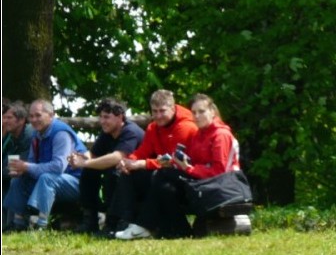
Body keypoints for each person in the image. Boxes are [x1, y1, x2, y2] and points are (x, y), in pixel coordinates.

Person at [115, 94, 240, 240]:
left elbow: (219, 172)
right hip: (204, 183)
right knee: (164, 185)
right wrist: (129, 161)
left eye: (201, 112)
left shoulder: (219, 135)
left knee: (163, 175)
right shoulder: (200, 134)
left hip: (221, 188)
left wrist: (187, 168)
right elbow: (189, 161)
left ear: (212, 112)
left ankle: (143, 225)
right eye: (194, 112)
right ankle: (178, 231)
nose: (197, 116)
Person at [107, 89, 198, 235]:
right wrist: (128, 161)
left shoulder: (185, 127)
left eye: (162, 111)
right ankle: (120, 223)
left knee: (159, 176)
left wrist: (142, 164)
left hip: (186, 178)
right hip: (165, 173)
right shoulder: (153, 127)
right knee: (125, 174)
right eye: (154, 111)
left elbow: (173, 160)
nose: (158, 116)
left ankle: (143, 225)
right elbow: (143, 151)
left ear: (173, 108)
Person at [3, 99, 87, 231]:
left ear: (51, 115)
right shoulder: (36, 134)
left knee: (46, 178)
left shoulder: (61, 133)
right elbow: (32, 161)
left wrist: (27, 167)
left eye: (38, 115)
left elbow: (58, 167)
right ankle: (18, 224)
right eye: (31, 116)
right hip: (54, 180)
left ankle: (41, 224)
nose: (34, 120)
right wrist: (22, 169)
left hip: (77, 182)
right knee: (18, 179)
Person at [67, 98, 144, 234]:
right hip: (123, 172)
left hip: (140, 177)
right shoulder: (107, 132)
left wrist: (84, 163)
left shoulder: (130, 132)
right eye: (101, 117)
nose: (102, 121)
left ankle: (113, 223)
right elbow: (93, 154)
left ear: (120, 117)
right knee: (89, 171)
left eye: (107, 117)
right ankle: (90, 221)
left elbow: (117, 157)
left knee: (114, 174)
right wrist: (79, 157)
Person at [3, 99, 34, 228]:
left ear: (21, 120)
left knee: (13, 181)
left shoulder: (28, 135)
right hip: (21, 174)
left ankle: (13, 224)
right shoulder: (12, 137)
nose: (4, 121)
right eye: (4, 117)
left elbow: (18, 167)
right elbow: (7, 164)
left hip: (34, 175)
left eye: (9, 118)